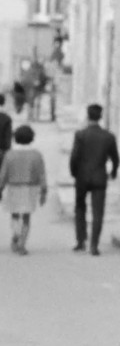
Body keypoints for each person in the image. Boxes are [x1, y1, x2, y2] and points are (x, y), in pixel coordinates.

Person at [69, 102, 120, 255]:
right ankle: (94, 245)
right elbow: (115, 158)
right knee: (98, 212)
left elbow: (74, 157)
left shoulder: (80, 135)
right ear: (101, 116)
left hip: (82, 177)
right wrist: (113, 172)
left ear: (87, 116)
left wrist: (74, 172)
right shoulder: (108, 136)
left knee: (80, 208)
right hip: (99, 177)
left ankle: (81, 241)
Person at [0, 124, 48, 255]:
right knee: (27, 216)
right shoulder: (36, 155)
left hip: (14, 187)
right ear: (31, 138)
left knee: (15, 214)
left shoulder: (10, 154)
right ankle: (22, 243)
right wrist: (44, 190)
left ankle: (16, 234)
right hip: (30, 188)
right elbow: (41, 174)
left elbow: (3, 173)